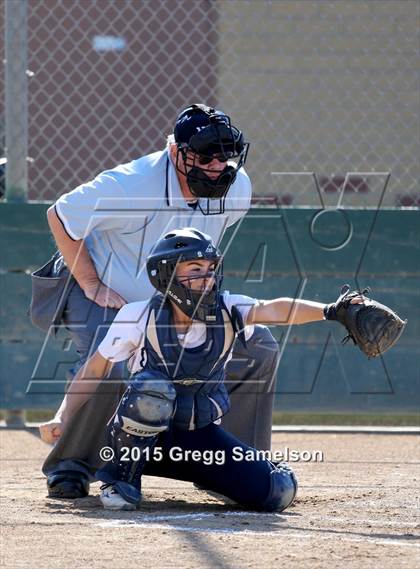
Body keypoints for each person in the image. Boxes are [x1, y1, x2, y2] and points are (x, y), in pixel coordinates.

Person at [40, 104, 280, 500]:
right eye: (205, 156)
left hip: (174, 298)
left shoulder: (236, 188)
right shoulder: (132, 184)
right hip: (103, 288)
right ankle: (72, 465)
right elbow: (61, 214)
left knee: (259, 347)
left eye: (226, 155)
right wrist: (91, 281)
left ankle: (228, 465)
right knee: (111, 361)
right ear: (176, 154)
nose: (218, 166)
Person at [39, 228, 365, 511]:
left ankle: (217, 474)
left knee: (275, 491)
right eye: (195, 268)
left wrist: (331, 311)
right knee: (153, 390)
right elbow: (92, 373)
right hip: (136, 439)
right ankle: (120, 477)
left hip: (197, 441)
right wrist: (63, 416)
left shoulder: (227, 308)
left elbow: (274, 308)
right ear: (166, 274)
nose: (206, 277)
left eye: (210, 269)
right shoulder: (137, 316)